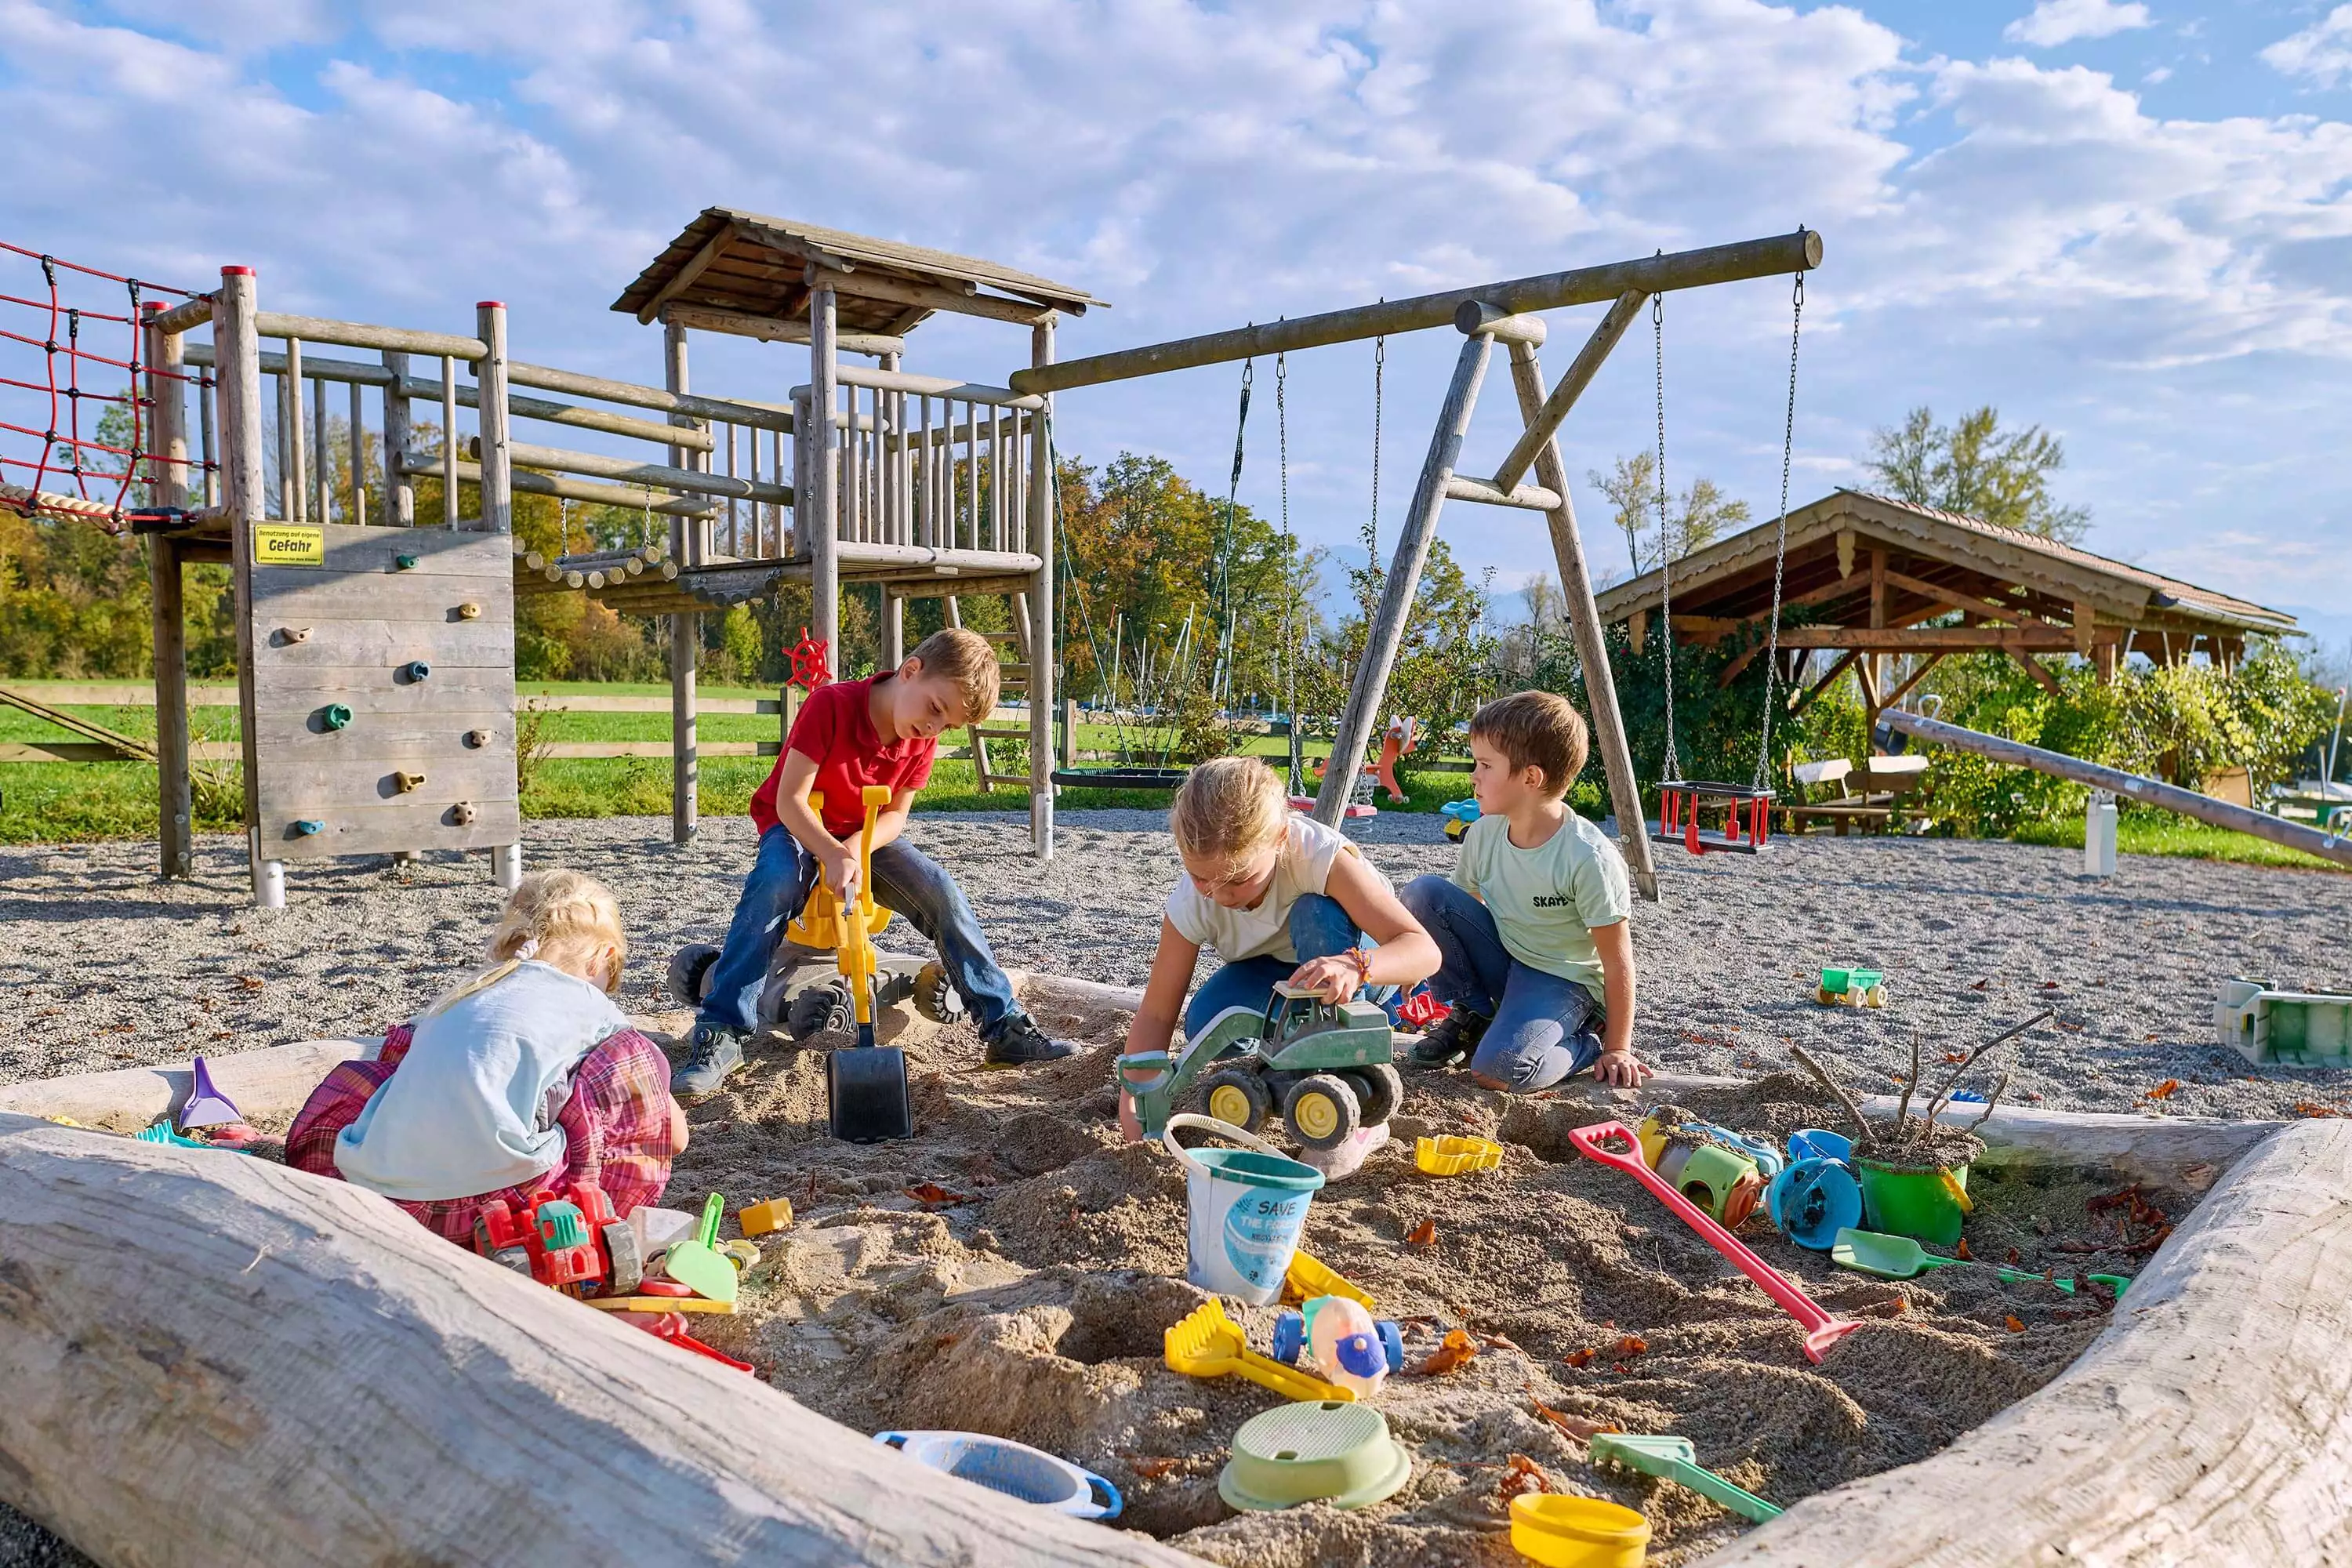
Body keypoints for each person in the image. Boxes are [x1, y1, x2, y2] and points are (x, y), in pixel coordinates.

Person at [673, 626, 1078, 1100]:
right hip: (801, 828)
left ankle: (1003, 1025)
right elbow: (790, 800)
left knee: (940, 890)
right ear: (910, 671)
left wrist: (855, 850)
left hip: (864, 837)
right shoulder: (831, 707)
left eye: (946, 725)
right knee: (777, 883)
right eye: (934, 709)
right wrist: (832, 852)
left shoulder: (919, 743)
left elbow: (896, 817)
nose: (933, 728)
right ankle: (722, 1029)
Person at [286, 869, 684, 1240]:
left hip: (382, 1197)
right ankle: (600, 1226)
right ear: (603, 958)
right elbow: (676, 1137)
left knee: (392, 1072)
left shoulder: (465, 994)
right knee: (628, 1059)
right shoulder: (591, 1010)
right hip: (510, 1211)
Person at [1117, 756, 1439, 1136]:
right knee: (1206, 1022)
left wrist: (1355, 966)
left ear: (1281, 838)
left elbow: (1423, 950)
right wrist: (1134, 1101)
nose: (1219, 894)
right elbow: (1156, 1014)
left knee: (1314, 911)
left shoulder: (1318, 856)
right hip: (1282, 975)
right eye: (1201, 876)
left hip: (1358, 961)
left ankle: (1349, 1088)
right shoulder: (1193, 901)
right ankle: (1290, 1061)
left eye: (1239, 879)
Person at [1401, 691, 1650, 1092]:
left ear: (1531, 778)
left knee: (1497, 1070)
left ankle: (1588, 1039)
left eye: (1485, 765)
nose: (1473, 776)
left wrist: (1619, 1047)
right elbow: (1461, 914)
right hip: (1506, 959)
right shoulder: (1484, 833)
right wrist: (1413, 960)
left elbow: (1618, 963)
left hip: (1562, 981)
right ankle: (1474, 1014)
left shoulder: (1587, 857)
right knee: (1423, 894)